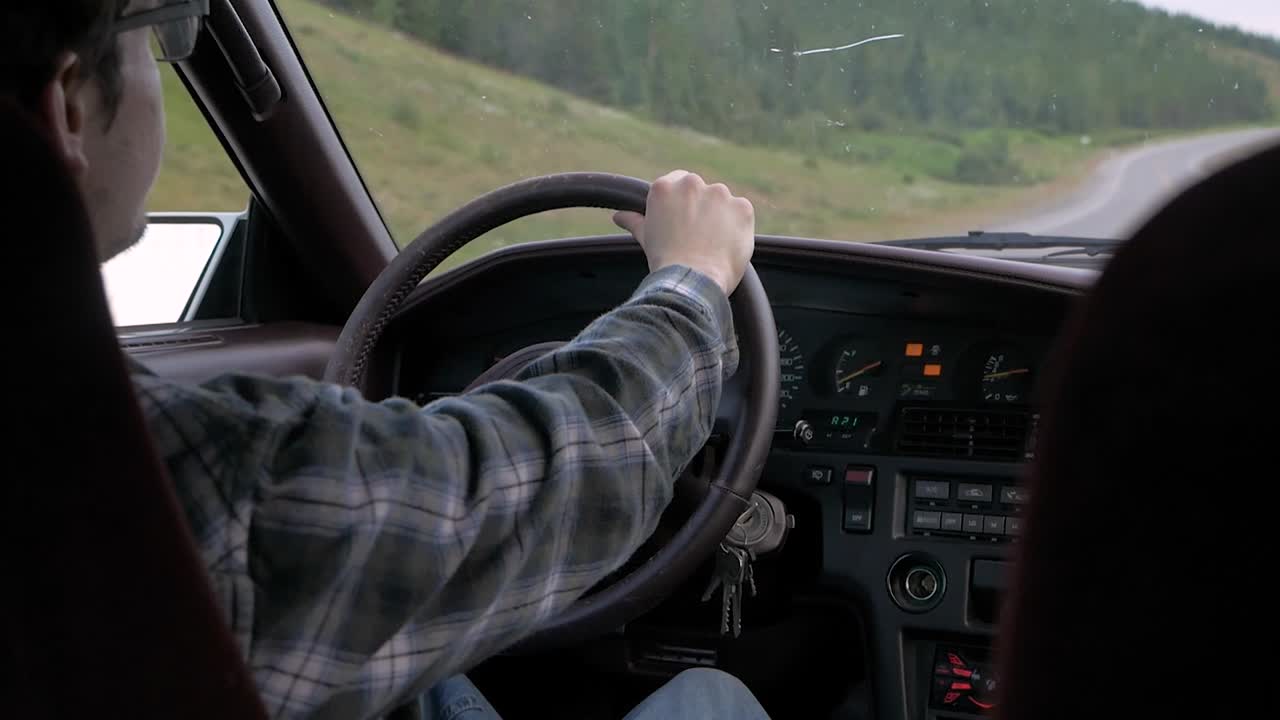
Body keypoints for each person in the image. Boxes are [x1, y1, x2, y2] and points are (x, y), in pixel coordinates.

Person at [1, 2, 770, 719]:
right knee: (713, 695)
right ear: (70, 103)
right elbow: (568, 468)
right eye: (157, 41)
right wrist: (694, 278)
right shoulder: (148, 471)